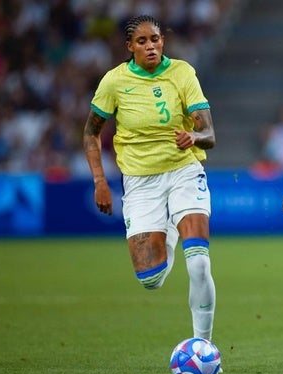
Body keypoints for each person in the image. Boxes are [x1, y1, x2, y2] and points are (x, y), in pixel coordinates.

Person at [83, 15, 217, 342]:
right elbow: (90, 133)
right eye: (142, 41)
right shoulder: (114, 82)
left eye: (155, 39)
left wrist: (194, 137)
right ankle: (170, 225)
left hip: (184, 170)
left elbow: (210, 133)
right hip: (141, 182)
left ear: (162, 41)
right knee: (150, 278)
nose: (150, 46)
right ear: (129, 47)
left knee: (198, 264)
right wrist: (100, 181)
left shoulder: (182, 73)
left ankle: (203, 347)